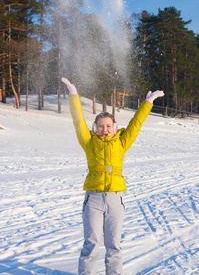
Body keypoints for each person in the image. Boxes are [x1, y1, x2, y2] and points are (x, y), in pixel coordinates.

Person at [62, 77, 164, 275]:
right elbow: (78, 121)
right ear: (95, 128)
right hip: (93, 199)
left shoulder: (121, 143)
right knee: (91, 244)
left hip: (115, 199)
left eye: (108, 126)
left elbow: (136, 124)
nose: (104, 129)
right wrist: (73, 94)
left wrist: (147, 103)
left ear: (115, 127)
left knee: (114, 246)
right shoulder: (89, 142)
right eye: (100, 126)